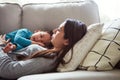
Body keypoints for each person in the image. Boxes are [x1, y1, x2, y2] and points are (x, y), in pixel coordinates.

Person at [0, 18, 87, 79]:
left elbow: (7, 70)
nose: (55, 31)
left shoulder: (48, 60)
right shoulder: (46, 52)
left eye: (59, 30)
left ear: (67, 41)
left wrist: (1, 45)